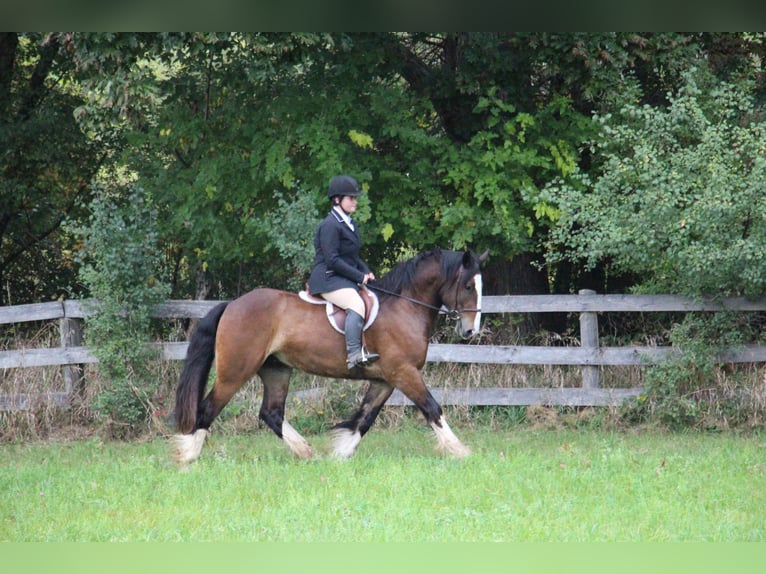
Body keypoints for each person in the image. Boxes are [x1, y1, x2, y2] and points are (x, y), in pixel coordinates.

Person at [308, 175, 380, 370]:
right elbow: (332, 259)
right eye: (351, 198)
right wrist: (358, 276)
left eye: (355, 198)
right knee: (356, 304)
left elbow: (352, 256)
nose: (355, 201)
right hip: (327, 277)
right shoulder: (330, 225)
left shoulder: (350, 223)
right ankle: (354, 354)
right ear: (337, 200)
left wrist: (366, 272)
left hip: (341, 276)